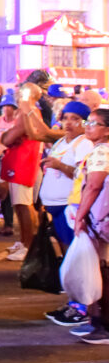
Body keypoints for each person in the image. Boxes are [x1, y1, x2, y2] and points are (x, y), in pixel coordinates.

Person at [35, 101, 94, 327]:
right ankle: (72, 302)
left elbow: (82, 175)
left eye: (76, 119)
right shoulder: (61, 141)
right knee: (68, 257)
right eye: (66, 117)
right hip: (55, 206)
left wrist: (59, 166)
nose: (69, 123)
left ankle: (82, 306)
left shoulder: (84, 144)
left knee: (76, 257)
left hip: (71, 207)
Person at [68, 107, 109, 343]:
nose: (88, 126)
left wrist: (81, 216)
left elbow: (93, 186)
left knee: (101, 269)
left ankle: (103, 324)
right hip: (100, 218)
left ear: (107, 131)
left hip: (99, 219)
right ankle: (97, 322)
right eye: (88, 122)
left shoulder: (101, 153)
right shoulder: (99, 150)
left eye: (94, 123)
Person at [0, 83, 46, 261]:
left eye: (21, 91)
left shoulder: (29, 111)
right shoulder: (26, 111)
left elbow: (10, 137)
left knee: (24, 205)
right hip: (20, 161)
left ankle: (28, 246)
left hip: (24, 162)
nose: (18, 93)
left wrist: (7, 136)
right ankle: (23, 242)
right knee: (19, 204)